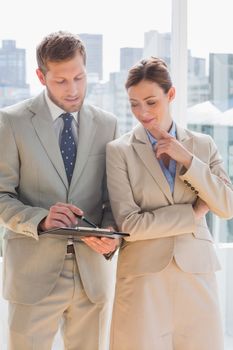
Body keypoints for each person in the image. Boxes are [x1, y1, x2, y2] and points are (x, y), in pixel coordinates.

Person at [0, 31, 119, 350]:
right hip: (32, 275)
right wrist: (40, 219)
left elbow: (112, 198)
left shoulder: (108, 124)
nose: (73, 89)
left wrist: (109, 230)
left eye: (79, 77)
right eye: (61, 81)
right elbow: (1, 195)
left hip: (92, 276)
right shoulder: (11, 122)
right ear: (41, 76)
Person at [106, 57, 233, 350]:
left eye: (151, 102)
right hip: (142, 279)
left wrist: (187, 159)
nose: (142, 112)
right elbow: (130, 224)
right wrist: (192, 213)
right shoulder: (119, 151)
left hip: (196, 275)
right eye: (134, 103)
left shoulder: (203, 146)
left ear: (171, 95)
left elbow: (226, 206)